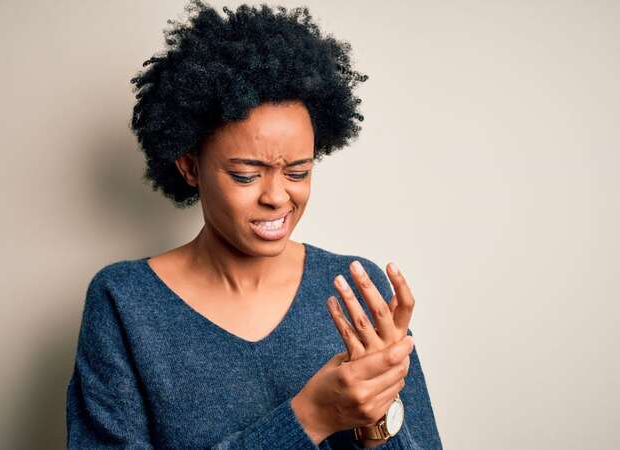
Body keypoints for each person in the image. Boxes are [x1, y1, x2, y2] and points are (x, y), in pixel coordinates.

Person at [66, 1, 442, 448]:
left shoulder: (359, 293)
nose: (278, 197)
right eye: (246, 175)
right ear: (189, 167)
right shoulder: (125, 302)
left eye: (298, 172)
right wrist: (309, 419)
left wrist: (376, 420)